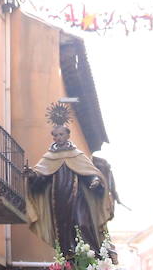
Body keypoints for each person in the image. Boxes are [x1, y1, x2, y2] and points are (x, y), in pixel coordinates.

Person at [25, 107, 118, 256]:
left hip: (78, 198)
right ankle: (69, 258)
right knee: (63, 230)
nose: (58, 137)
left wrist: (95, 181)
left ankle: (90, 257)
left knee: (83, 224)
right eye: (55, 135)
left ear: (68, 135)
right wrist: (32, 177)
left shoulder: (77, 155)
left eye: (61, 134)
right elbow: (41, 179)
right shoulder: (48, 158)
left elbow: (89, 172)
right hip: (58, 201)